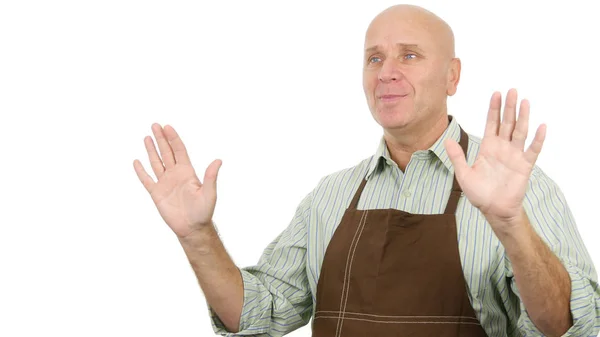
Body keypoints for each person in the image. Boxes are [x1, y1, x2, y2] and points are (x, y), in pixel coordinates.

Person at [132, 4, 600, 337]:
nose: (386, 72)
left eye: (410, 55)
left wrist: (509, 224)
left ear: (453, 75)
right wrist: (197, 235)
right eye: (374, 58)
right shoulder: (331, 196)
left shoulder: (519, 190)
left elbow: (572, 327)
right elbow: (258, 314)